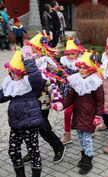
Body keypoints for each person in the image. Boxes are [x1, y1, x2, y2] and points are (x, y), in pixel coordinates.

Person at [53, 51, 104, 175]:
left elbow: (100, 101)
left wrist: (98, 116)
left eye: (84, 68)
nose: (81, 70)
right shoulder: (76, 80)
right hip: (78, 113)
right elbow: (70, 97)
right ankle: (84, 156)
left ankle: (88, 161)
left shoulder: (95, 82)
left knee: (87, 139)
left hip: (89, 115)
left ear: (90, 69)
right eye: (80, 67)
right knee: (81, 137)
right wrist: (62, 105)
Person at [1, 47, 44, 177]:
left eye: (15, 72)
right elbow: (2, 96)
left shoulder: (31, 84)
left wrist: (28, 60)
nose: (12, 74)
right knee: (13, 150)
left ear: (23, 72)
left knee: (33, 150)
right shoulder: (11, 84)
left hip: (30, 123)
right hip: (15, 123)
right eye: (10, 71)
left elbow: (36, 77)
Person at [22, 33, 66, 165]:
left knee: (42, 126)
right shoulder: (26, 59)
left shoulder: (46, 60)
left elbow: (58, 72)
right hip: (28, 98)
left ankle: (59, 146)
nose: (33, 51)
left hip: (43, 99)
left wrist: (52, 73)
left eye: (35, 49)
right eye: (31, 49)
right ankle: (32, 151)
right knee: (28, 127)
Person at [60, 38, 84, 144]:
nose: (70, 56)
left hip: (79, 92)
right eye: (68, 54)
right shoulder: (64, 63)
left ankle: (87, 129)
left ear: (77, 54)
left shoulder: (81, 65)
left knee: (82, 111)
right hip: (68, 92)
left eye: (73, 54)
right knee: (67, 112)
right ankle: (67, 134)